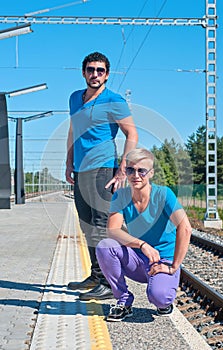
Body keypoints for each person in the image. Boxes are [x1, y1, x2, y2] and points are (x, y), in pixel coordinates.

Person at [65, 52, 138, 301]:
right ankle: (96, 275)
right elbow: (73, 130)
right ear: (83, 72)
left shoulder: (114, 101)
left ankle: (109, 283)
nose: (95, 74)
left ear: (106, 74)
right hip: (80, 169)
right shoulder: (75, 98)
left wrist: (122, 170)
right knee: (87, 224)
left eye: (100, 70)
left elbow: (132, 135)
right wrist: (68, 161)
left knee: (101, 226)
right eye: (90, 69)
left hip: (103, 169)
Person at [96, 148, 192, 321]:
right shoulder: (121, 196)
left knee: (160, 298)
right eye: (130, 170)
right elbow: (113, 230)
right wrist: (142, 245)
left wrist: (173, 266)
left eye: (141, 170)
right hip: (138, 260)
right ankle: (123, 301)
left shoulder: (164, 194)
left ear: (151, 172)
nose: (136, 175)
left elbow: (185, 228)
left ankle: (164, 295)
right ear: (125, 172)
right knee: (105, 246)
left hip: (162, 261)